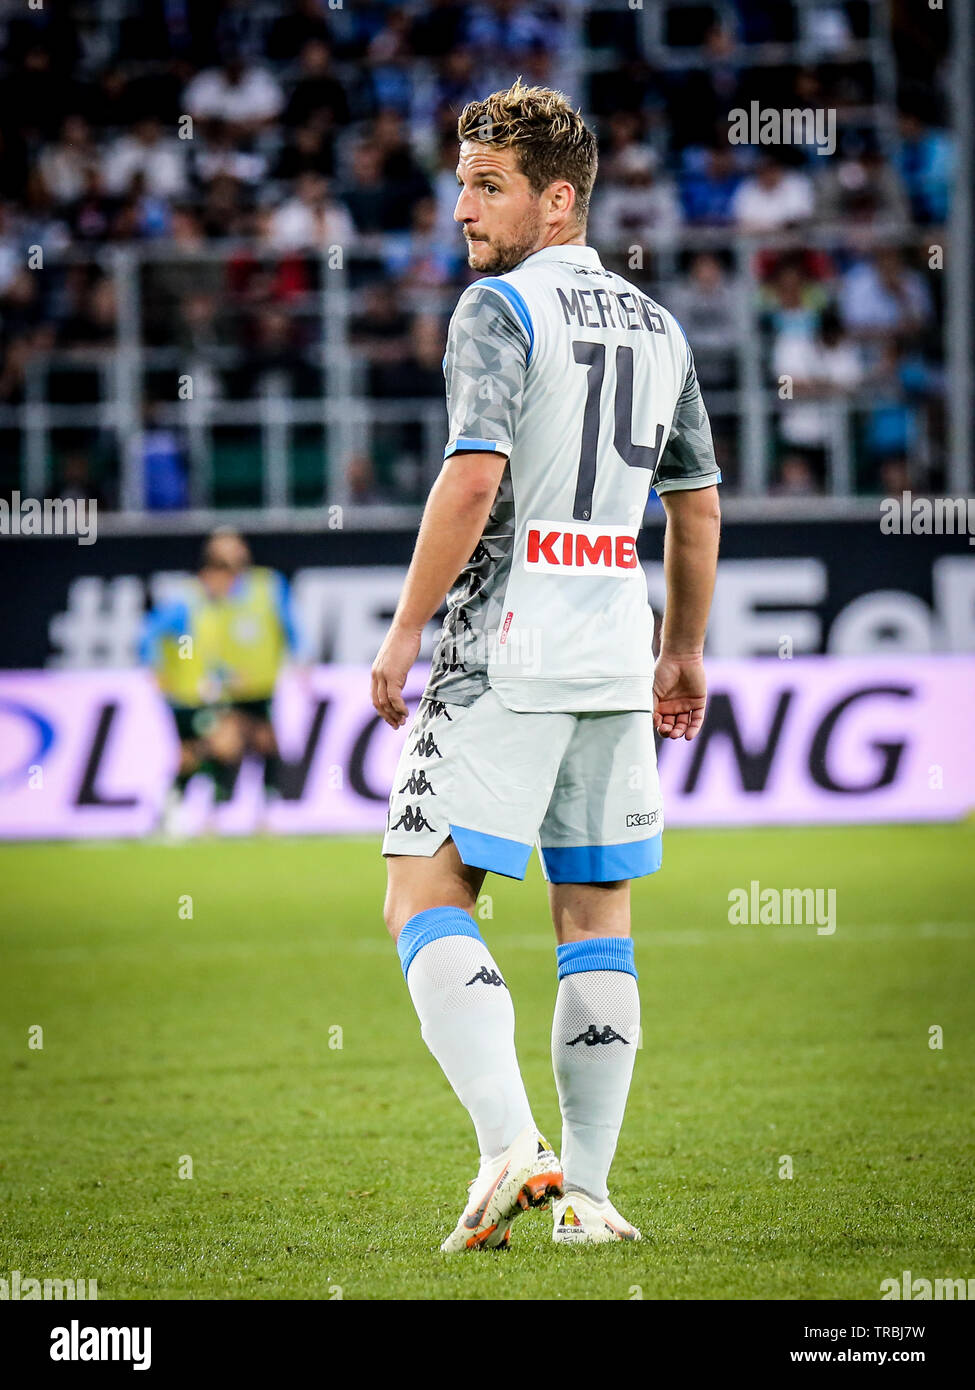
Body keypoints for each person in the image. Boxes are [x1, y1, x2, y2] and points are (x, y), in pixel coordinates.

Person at [370, 81, 721, 1252]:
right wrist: (679, 653)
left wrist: (406, 626)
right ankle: (589, 1197)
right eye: (462, 181)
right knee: (595, 916)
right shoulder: (660, 327)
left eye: (489, 185)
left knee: (423, 891)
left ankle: (515, 1142)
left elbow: (474, 477)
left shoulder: (497, 309)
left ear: (558, 200)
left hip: (502, 646)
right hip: (614, 651)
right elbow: (697, 507)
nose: (463, 207)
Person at [141, 530, 304, 834]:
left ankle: (172, 809)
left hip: (202, 696)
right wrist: (156, 668)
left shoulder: (213, 607)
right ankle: (186, 809)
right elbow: (151, 631)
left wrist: (223, 675)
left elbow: (204, 654)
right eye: (227, 578)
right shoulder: (186, 602)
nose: (231, 587)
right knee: (220, 746)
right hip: (184, 697)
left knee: (198, 752)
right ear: (211, 573)